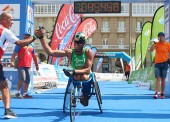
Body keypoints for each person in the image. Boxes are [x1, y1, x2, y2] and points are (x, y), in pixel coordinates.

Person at [0, 12, 43, 119]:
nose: (12, 22)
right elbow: (20, 43)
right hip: (20, 65)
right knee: (4, 86)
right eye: (11, 19)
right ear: (4, 19)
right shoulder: (5, 31)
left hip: (27, 65)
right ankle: (7, 110)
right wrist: (35, 36)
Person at [39, 31, 93, 106]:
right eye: (75, 42)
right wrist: (41, 38)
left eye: (79, 42)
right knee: (76, 77)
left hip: (84, 73)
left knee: (85, 102)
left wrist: (74, 71)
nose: (76, 44)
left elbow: (87, 70)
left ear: (84, 43)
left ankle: (84, 94)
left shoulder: (88, 52)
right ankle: (75, 94)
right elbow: (51, 52)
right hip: (75, 74)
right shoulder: (70, 52)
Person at [10, 33, 39, 99]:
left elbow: (34, 56)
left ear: (30, 37)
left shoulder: (32, 45)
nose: (27, 36)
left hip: (28, 65)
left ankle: (25, 94)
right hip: (21, 65)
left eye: (28, 35)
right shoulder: (20, 44)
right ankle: (18, 93)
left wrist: (36, 65)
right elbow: (14, 54)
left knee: (27, 80)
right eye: (26, 35)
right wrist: (12, 61)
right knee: (22, 78)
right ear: (23, 36)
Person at [150, 32, 170, 99]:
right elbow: (150, 50)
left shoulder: (167, 45)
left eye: (161, 36)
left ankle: (162, 93)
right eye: (159, 36)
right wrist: (154, 44)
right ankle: (156, 93)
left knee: (163, 79)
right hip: (157, 64)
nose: (160, 37)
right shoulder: (156, 44)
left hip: (165, 64)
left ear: (164, 37)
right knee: (158, 79)